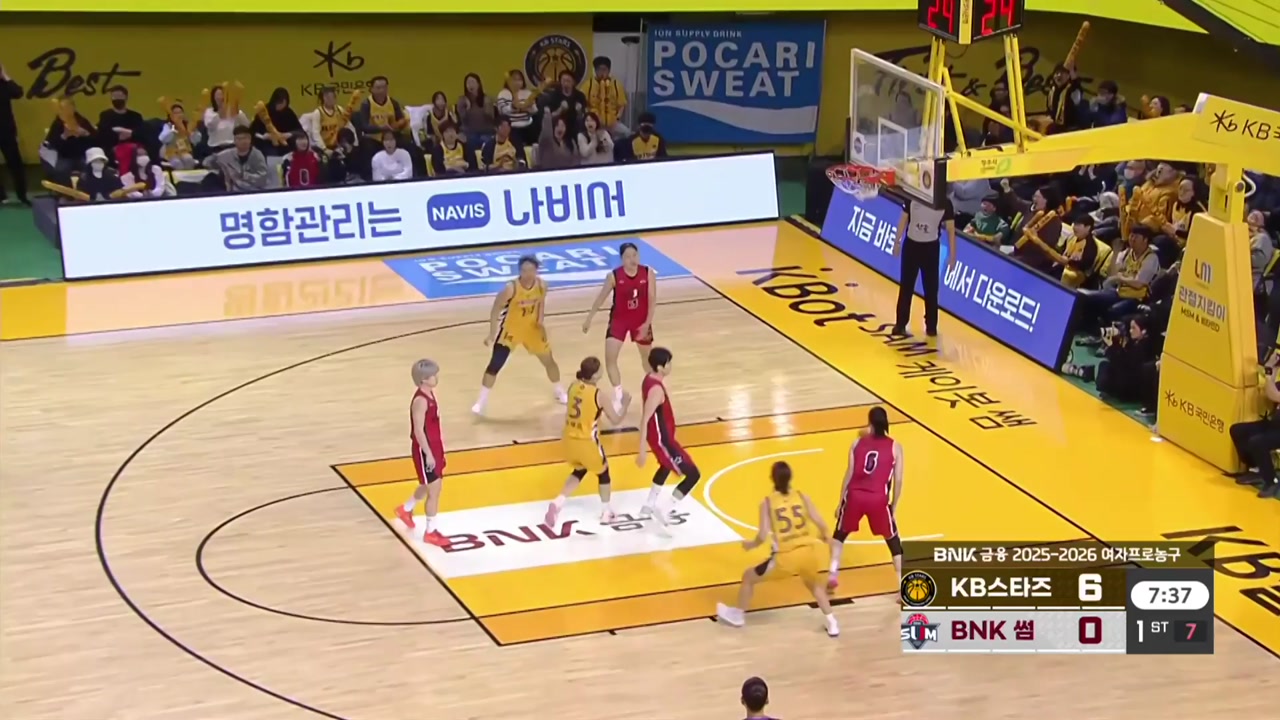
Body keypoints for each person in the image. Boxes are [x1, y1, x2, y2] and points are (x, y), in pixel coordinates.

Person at [715, 461, 840, 637]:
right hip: (809, 553)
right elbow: (821, 522)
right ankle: (833, 623)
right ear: (790, 478)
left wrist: (750, 545)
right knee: (815, 588)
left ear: (772, 478)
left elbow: (762, 535)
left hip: (785, 557)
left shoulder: (767, 502)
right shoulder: (802, 496)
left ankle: (738, 615)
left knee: (748, 577)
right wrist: (825, 536)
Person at [472, 256, 567, 415]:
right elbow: (495, 309)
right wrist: (491, 334)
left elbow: (541, 303)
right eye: (524, 270)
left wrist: (540, 321)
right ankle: (481, 402)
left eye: (530, 270)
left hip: (532, 330)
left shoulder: (542, 285)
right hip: (511, 330)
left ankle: (559, 390)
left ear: (536, 270)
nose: (527, 274)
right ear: (519, 271)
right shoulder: (511, 289)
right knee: (494, 365)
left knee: (549, 361)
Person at [545, 357, 632, 526]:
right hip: (586, 441)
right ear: (595, 375)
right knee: (603, 473)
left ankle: (558, 502)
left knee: (580, 469)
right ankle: (606, 512)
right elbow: (616, 420)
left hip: (568, 439)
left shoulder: (572, 386)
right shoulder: (599, 395)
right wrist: (625, 405)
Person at [829, 407, 903, 588]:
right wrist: (893, 505)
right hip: (878, 498)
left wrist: (840, 502)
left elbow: (849, 474)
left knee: (839, 535)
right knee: (893, 541)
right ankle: (903, 587)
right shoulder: (895, 447)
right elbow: (898, 479)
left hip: (855, 496)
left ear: (869, 422)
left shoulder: (857, 443)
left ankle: (832, 573)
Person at [582, 241, 656, 408]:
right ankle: (618, 395)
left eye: (635, 255)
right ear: (622, 259)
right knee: (610, 359)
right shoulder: (614, 276)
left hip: (640, 321)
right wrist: (589, 318)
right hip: (619, 321)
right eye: (628, 256)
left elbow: (652, 301)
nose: (632, 259)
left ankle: (653, 390)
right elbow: (600, 298)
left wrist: (647, 324)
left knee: (647, 359)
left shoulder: (648, 273)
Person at [636, 347, 703, 525]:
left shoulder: (649, 378)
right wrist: (641, 450)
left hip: (660, 437)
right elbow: (644, 419)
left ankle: (649, 505)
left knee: (665, 466)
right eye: (668, 363)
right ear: (660, 367)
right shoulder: (656, 391)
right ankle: (665, 509)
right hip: (662, 440)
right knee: (693, 474)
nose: (670, 366)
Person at [395, 359, 451, 546]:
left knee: (427, 485)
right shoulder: (420, 401)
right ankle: (430, 532)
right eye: (433, 375)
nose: (436, 377)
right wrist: (428, 454)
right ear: (424, 379)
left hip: (434, 446)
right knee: (435, 490)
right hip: (424, 449)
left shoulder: (430, 394)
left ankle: (405, 509)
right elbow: (418, 431)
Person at [892, 193, 956, 337]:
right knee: (906, 286)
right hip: (911, 245)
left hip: (931, 248)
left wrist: (952, 256)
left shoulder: (944, 202)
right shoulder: (912, 195)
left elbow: (951, 230)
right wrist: (897, 242)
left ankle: (931, 326)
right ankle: (900, 324)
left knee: (931, 289)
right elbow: (904, 219)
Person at [1229, 353, 1280, 499]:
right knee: (1238, 430)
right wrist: (1271, 368)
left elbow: (1275, 395)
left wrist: (1269, 372)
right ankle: (1256, 469)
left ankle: (1272, 481)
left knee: (1258, 442)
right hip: (1275, 425)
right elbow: (1270, 392)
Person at [201, 125, 269, 193]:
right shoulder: (226, 154)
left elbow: (263, 179)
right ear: (234, 140)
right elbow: (206, 162)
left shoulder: (257, 155)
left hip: (253, 192)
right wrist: (220, 165)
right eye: (239, 139)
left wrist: (243, 175)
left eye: (245, 138)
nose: (243, 141)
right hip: (232, 192)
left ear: (250, 139)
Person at [0, 61, 30, 205]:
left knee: (15, 164)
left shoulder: (4, 85)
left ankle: (22, 196)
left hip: (6, 131)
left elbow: (18, 93)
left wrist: (6, 76)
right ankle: (1, 196)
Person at [581, 56, 628, 138]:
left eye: (604, 69)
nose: (602, 72)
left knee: (627, 133)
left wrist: (617, 118)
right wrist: (590, 119)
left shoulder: (616, 84)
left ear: (609, 70)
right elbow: (584, 104)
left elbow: (622, 105)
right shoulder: (588, 85)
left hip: (613, 123)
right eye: (599, 69)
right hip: (595, 123)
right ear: (595, 70)